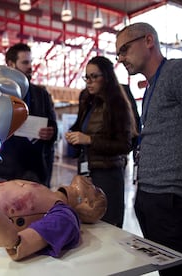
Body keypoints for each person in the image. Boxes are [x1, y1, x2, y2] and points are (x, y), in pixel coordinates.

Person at [116, 22, 182, 275]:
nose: (121, 59)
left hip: (177, 201)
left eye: (125, 49)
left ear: (149, 40)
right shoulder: (154, 86)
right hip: (154, 199)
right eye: (118, 54)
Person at [65, 56, 137, 228]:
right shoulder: (87, 100)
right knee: (88, 225)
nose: (89, 82)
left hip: (108, 174)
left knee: (108, 226)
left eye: (94, 77)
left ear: (106, 76)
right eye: (87, 77)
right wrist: (72, 136)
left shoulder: (117, 102)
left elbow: (125, 145)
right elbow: (80, 128)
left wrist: (89, 140)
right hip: (86, 171)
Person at [0, 43, 58, 187]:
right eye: (25, 62)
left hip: (37, 169)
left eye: (30, 62)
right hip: (7, 169)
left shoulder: (41, 94)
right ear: (11, 64)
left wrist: (51, 132)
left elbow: (52, 124)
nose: (30, 66)